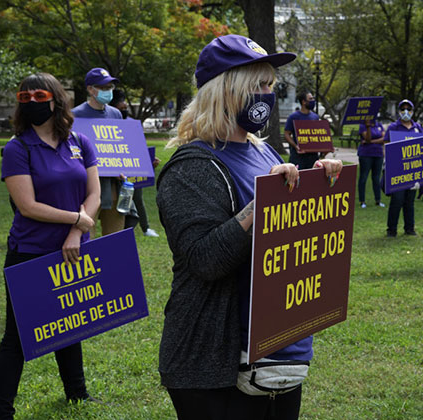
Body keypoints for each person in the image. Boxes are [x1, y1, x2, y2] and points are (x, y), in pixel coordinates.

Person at [156, 34, 342, 420]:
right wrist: (268, 201)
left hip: (276, 353)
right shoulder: (192, 165)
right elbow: (205, 259)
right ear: (224, 91)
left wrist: (317, 188)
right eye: (256, 85)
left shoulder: (262, 150)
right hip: (214, 362)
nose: (266, 95)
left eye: (270, 86)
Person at [0, 73, 101, 419]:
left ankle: (77, 395)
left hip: (73, 251)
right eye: (24, 97)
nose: (32, 102)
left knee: (71, 322)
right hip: (29, 252)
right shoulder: (16, 148)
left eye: (39, 95)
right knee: (18, 336)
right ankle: (2, 412)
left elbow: (94, 194)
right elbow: (28, 206)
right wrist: (75, 220)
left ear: (55, 99)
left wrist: (76, 231)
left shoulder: (80, 142)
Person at [72, 67, 124, 237]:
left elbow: (122, 146)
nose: (107, 91)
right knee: (87, 233)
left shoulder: (116, 114)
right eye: (102, 87)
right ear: (90, 89)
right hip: (87, 185)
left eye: (110, 87)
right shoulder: (75, 115)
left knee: (115, 236)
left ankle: (113, 264)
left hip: (114, 184)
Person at [109, 90, 161, 237]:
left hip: (132, 169)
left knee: (137, 197)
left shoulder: (132, 125)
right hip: (114, 170)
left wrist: (149, 162)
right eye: (121, 109)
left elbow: (139, 148)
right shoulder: (107, 124)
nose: (124, 111)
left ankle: (145, 228)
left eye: (125, 109)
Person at [384, 99, 422, 237]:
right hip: (397, 169)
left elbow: (422, 146)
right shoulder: (393, 127)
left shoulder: (417, 127)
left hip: (412, 169)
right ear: (399, 111)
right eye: (403, 109)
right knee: (397, 200)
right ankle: (391, 229)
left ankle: (409, 228)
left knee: (409, 201)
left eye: (408, 109)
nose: (406, 112)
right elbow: (386, 146)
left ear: (412, 111)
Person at [284, 91, 321, 169]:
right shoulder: (293, 117)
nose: (313, 101)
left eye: (313, 98)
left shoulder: (315, 117)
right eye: (310, 99)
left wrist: (324, 148)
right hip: (298, 157)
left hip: (313, 156)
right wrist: (295, 146)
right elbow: (287, 134)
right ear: (304, 102)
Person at [357, 118, 385, 208]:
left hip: (378, 154)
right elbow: (367, 138)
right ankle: (362, 201)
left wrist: (371, 142)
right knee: (363, 177)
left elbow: (384, 139)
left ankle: (378, 200)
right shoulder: (363, 125)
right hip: (366, 154)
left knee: (376, 178)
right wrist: (368, 127)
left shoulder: (379, 124)